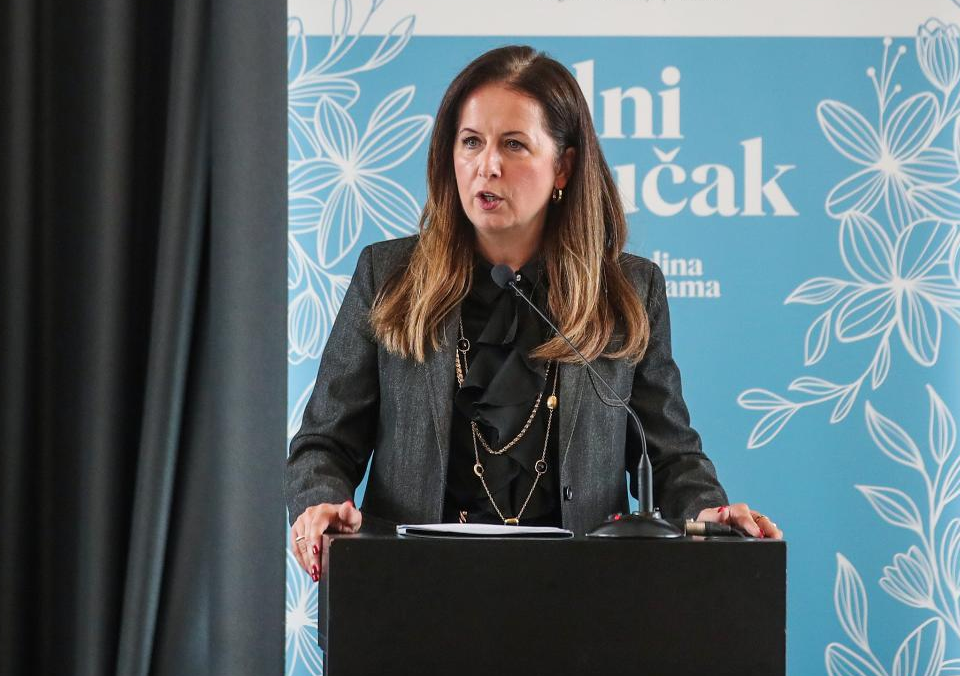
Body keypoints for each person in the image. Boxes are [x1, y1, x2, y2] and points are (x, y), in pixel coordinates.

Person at [286, 45, 782, 582]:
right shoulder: (387, 275)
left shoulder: (628, 291)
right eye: (471, 142)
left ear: (563, 165)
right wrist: (321, 504)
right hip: (411, 589)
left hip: (578, 596)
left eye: (514, 144)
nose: (487, 166)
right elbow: (324, 444)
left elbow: (669, 455)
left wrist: (708, 512)